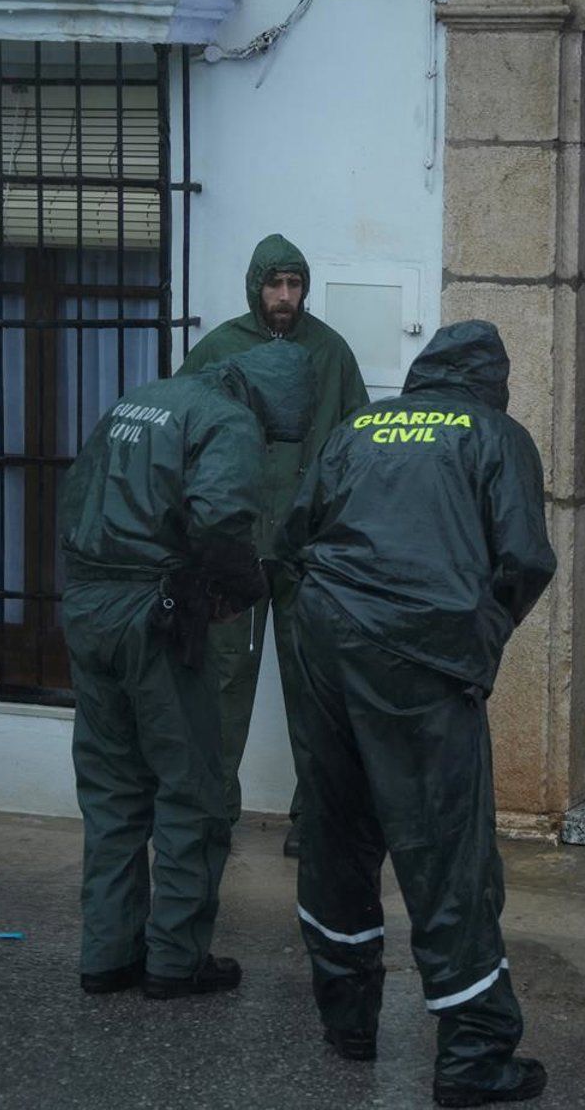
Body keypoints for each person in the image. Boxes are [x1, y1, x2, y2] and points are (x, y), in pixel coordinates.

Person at [277, 320, 556, 1106]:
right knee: (443, 847)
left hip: (326, 636)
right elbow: (525, 560)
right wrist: (474, 643)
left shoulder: (357, 427)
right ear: (489, 382)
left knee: (336, 824)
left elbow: (292, 537)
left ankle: (347, 1019)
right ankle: (473, 1056)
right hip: (421, 653)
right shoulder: (494, 435)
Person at [59, 339, 316, 999]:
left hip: (88, 607)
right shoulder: (226, 419)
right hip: (155, 617)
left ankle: (107, 956)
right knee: (191, 788)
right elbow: (221, 524)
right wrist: (246, 589)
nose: (270, 439)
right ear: (267, 400)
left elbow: (74, 498)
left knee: (114, 791)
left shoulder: (140, 399)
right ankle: (175, 959)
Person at [176, 233, 367, 852]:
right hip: (232, 546)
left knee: (313, 681)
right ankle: (214, 810)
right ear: (255, 285)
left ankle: (313, 816)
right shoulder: (219, 349)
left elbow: (356, 443)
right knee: (224, 674)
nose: (285, 297)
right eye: (274, 284)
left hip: (307, 550)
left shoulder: (330, 353)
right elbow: (181, 430)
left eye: (295, 285)